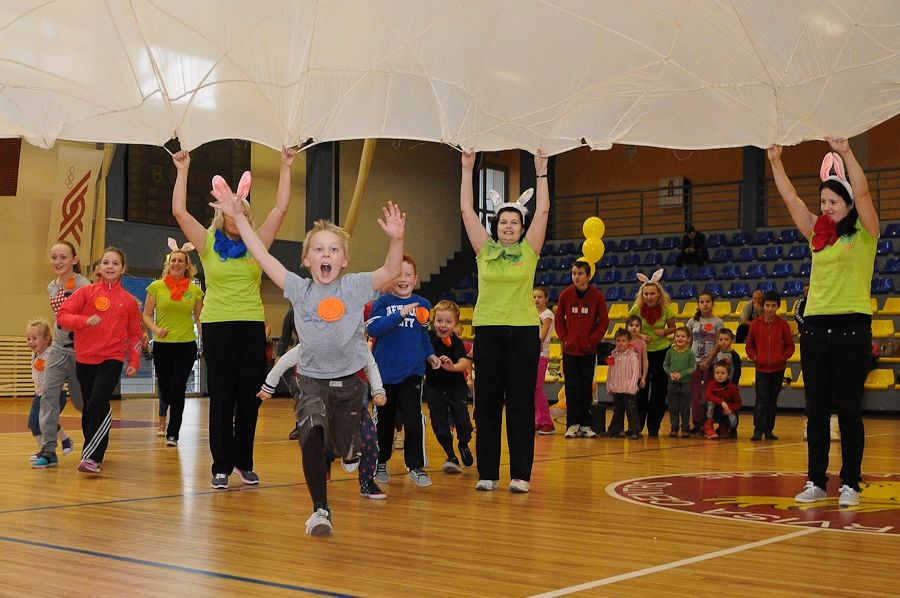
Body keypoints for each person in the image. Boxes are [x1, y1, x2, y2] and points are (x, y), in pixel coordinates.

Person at [211, 177, 405, 535]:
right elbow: (260, 254)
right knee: (311, 433)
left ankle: (348, 453)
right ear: (306, 259)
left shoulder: (355, 285)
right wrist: (238, 218)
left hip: (350, 385)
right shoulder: (298, 289)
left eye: (333, 250)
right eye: (319, 250)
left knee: (344, 445)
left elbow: (391, 271)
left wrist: (396, 240)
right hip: (312, 381)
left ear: (344, 260)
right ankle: (320, 509)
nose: (326, 255)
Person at [171, 147, 295, 489]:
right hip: (217, 326)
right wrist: (183, 170)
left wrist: (285, 166)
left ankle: (244, 462)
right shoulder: (208, 243)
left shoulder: (258, 244)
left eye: (241, 207)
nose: (235, 211)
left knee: (249, 398)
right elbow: (179, 211)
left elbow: (281, 208)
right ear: (222, 211)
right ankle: (221, 467)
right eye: (231, 207)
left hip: (251, 326)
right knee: (222, 398)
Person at [769, 139, 878, 507]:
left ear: (847, 204)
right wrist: (775, 161)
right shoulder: (817, 234)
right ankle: (816, 480)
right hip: (815, 329)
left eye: (832, 202)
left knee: (848, 408)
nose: (826, 208)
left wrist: (846, 152)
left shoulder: (865, 233)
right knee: (815, 410)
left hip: (852, 329)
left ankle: (850, 483)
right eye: (823, 203)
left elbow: (863, 192)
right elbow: (792, 201)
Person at [459, 148, 549, 493]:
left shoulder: (529, 251)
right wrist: (468, 167)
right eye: (503, 222)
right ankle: (488, 473)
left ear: (522, 228)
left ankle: (521, 475)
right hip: (489, 332)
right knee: (488, 402)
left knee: (521, 404)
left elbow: (543, 209)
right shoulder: (485, 250)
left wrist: (541, 171)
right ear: (495, 226)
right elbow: (467, 210)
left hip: (524, 333)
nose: (508, 226)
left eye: (514, 222)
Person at [259, 343, 388, 500]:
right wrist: (269, 385)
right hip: (322, 398)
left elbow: (370, 365)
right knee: (319, 433)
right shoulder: (315, 339)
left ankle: (367, 481)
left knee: (369, 437)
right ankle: (324, 466)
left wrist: (378, 390)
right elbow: (286, 360)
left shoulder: (354, 340)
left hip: (350, 397)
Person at [56, 247, 143, 474]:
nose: (110, 267)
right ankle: (93, 449)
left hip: (111, 358)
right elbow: (63, 316)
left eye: (115, 263)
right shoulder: (86, 293)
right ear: (99, 267)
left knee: (97, 401)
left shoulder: (129, 301)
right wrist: (84, 321)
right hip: (85, 358)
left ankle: (92, 456)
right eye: (106, 263)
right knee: (91, 406)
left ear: (123, 268)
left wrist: (134, 361)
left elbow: (135, 333)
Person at [367, 254, 439, 487]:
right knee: (385, 421)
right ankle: (380, 462)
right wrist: (399, 314)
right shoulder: (383, 303)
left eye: (408, 274)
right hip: (384, 374)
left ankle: (416, 466)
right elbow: (374, 330)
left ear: (415, 279)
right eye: (398, 274)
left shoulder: (424, 305)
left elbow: (423, 336)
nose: (403, 279)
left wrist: (431, 355)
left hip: (412, 373)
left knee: (413, 418)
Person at [32, 241, 91, 469]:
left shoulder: (84, 286)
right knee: (47, 396)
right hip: (58, 349)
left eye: (63, 257)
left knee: (81, 402)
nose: (58, 262)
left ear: (74, 260)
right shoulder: (51, 287)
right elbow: (58, 317)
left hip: (79, 351)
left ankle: (92, 445)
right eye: (54, 257)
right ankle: (48, 450)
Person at [142, 239, 204, 447]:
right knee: (166, 388)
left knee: (178, 387)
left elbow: (199, 318)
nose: (176, 264)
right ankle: (167, 421)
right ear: (169, 264)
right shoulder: (156, 287)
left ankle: (173, 433)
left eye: (180, 261)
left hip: (186, 344)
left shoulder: (195, 291)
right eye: (173, 260)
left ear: (187, 265)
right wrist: (156, 330)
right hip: (162, 344)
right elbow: (147, 315)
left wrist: (206, 339)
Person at [555, 260, 609, 439]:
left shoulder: (597, 296)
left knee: (586, 389)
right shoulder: (565, 295)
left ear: (588, 276)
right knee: (571, 389)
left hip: (588, 352)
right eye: (573, 273)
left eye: (579, 273)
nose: (576, 277)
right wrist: (565, 338)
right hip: (570, 352)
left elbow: (604, 322)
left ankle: (586, 425)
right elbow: (559, 320)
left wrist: (592, 341)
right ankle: (572, 425)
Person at [423, 300, 474, 473]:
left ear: (456, 324)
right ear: (433, 320)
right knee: (439, 424)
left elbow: (463, 362)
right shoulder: (427, 338)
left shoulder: (456, 342)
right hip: (434, 388)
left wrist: (452, 367)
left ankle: (463, 444)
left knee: (463, 421)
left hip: (455, 388)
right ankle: (451, 455)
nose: (443, 325)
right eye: (439, 320)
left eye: (448, 322)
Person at [628, 269, 677, 437]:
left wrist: (666, 332)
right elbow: (629, 328)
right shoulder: (636, 308)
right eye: (646, 294)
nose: (649, 297)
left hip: (661, 351)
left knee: (659, 390)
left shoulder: (666, 310)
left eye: (652, 294)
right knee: (640, 389)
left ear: (658, 294)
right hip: (641, 352)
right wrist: (639, 335)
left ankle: (654, 426)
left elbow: (673, 328)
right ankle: (637, 426)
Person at [746, 290, 794, 441]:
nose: (770, 309)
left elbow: (790, 346)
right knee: (761, 399)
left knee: (772, 400)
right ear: (763, 306)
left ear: (778, 307)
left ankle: (769, 429)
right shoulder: (755, 324)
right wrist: (755, 357)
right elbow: (749, 346)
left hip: (778, 369)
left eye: (773, 305)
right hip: (761, 368)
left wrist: (782, 358)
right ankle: (758, 429)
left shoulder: (783, 325)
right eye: (767, 305)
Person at [25, 319, 73, 461]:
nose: (30, 342)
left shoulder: (53, 352)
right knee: (42, 421)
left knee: (38, 421)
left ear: (46, 339)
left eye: (34, 338)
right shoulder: (36, 354)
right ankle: (63, 441)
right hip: (40, 394)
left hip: (56, 393)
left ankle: (46, 452)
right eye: (28, 338)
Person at [686, 292, 723, 434]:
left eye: (708, 301)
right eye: (702, 302)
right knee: (694, 394)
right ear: (698, 304)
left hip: (710, 363)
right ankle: (696, 422)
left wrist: (709, 360)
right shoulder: (692, 322)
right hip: (694, 363)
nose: (705, 304)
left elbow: (718, 343)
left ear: (713, 303)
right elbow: (688, 343)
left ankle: (708, 423)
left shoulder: (718, 322)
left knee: (708, 395)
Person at [604, 329, 641, 439]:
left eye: (623, 340)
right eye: (618, 340)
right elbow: (610, 371)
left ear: (628, 341)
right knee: (617, 410)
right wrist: (610, 385)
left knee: (631, 409)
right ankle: (614, 430)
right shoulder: (613, 355)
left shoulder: (632, 355)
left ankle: (634, 430)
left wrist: (632, 386)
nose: (621, 343)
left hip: (629, 388)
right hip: (617, 388)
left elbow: (636, 372)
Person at [663, 326, 696, 437]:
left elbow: (693, 367)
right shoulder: (670, 352)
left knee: (685, 407)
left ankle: (685, 428)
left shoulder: (690, 353)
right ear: (674, 338)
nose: (680, 338)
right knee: (673, 407)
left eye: (683, 336)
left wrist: (681, 374)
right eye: (677, 336)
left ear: (688, 339)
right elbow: (665, 365)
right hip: (672, 382)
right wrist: (671, 373)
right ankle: (674, 428)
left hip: (685, 383)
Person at [533, 286, 556, 434]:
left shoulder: (547, 315)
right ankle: (539, 420)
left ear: (546, 299)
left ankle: (547, 422)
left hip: (541, 354)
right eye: (534, 297)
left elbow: (542, 336)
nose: (536, 300)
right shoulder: (531, 314)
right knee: (532, 389)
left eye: (540, 297)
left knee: (537, 387)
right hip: (531, 354)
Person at [703, 362, 742, 440]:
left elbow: (738, 404)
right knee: (709, 404)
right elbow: (708, 396)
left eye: (723, 373)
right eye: (717, 373)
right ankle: (708, 429)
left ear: (728, 375)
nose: (719, 375)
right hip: (716, 410)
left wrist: (730, 409)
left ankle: (725, 429)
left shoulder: (733, 388)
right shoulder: (711, 384)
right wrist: (722, 402)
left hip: (726, 411)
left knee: (732, 421)